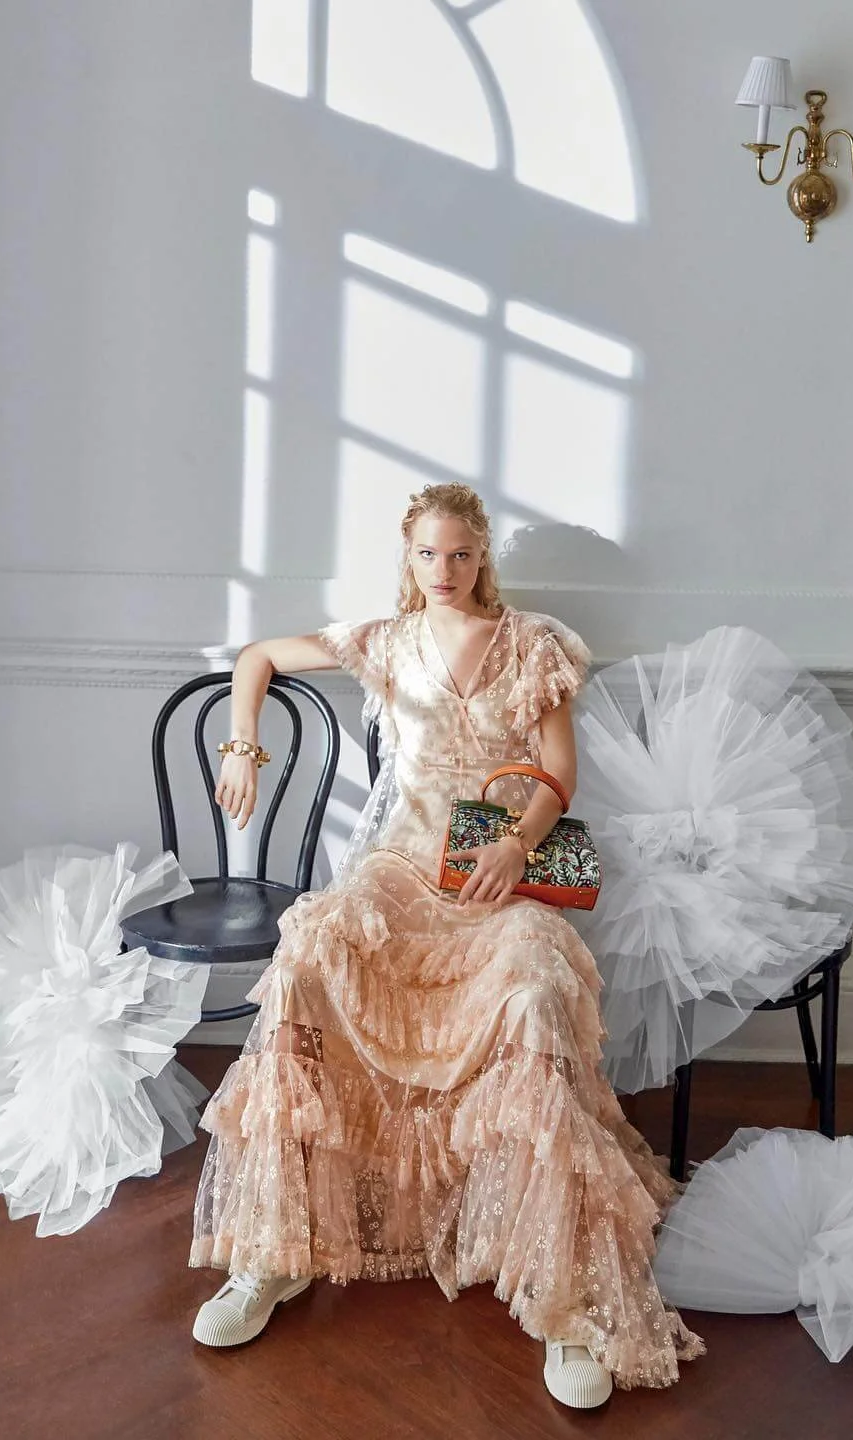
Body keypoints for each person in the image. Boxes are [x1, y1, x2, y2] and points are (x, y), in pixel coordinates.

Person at [188, 483, 704, 1408]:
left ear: (482, 556)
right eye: (429, 555)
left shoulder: (531, 644)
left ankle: (566, 1301)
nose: (446, 571)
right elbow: (258, 656)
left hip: (496, 868)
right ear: (409, 558)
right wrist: (241, 747)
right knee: (308, 953)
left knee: (537, 989)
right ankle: (274, 1253)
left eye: (462, 554)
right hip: (401, 866)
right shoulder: (385, 642)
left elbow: (558, 771)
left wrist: (516, 841)